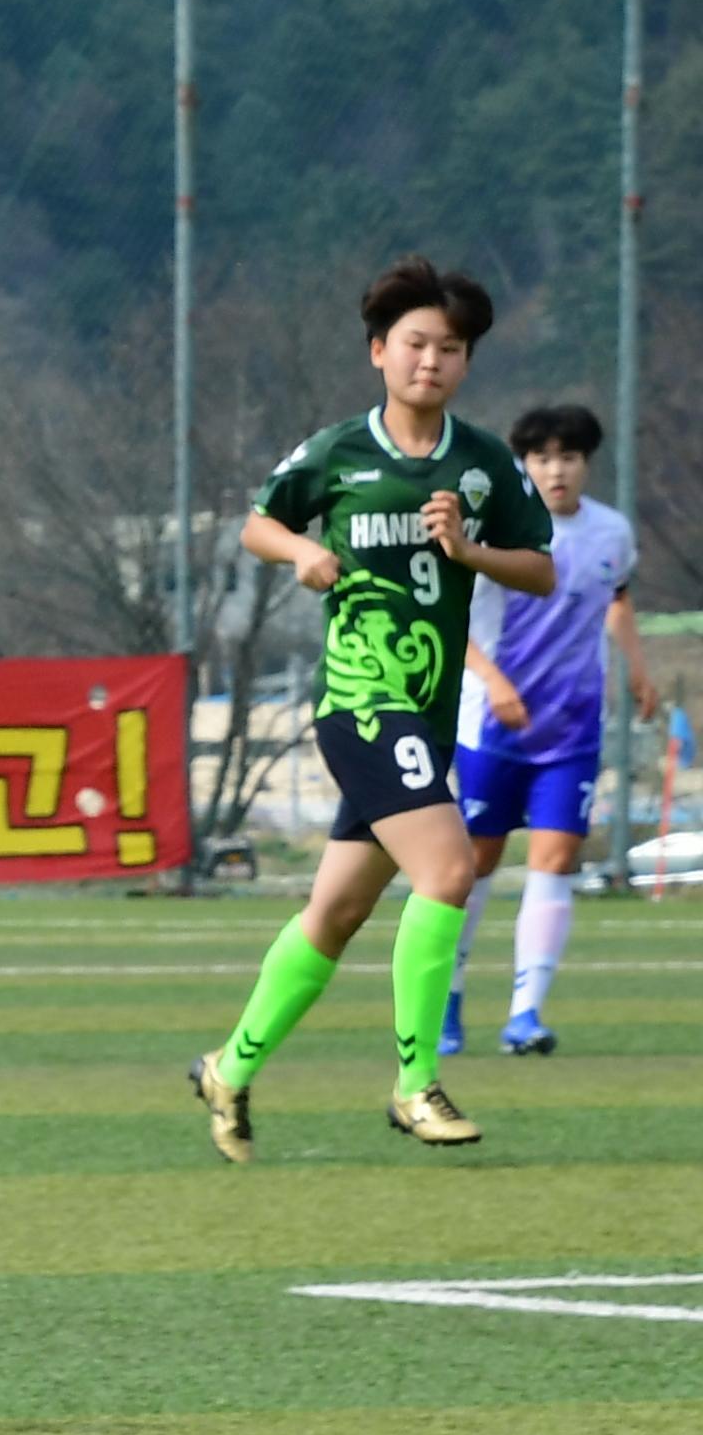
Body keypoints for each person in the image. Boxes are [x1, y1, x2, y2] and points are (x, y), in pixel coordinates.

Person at [190, 255, 553, 1162]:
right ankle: (414, 1084)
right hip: (361, 700)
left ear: (467, 362)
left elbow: (542, 570)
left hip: (426, 714)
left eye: (452, 348)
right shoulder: (338, 453)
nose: (432, 361)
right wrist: (298, 555)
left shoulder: (482, 464)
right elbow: (258, 522)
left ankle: (227, 1071)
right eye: (416, 344)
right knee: (449, 872)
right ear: (379, 352)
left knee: (337, 914)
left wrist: (469, 551)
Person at [444, 404, 657, 1056]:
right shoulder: (500, 532)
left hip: (571, 729)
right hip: (491, 725)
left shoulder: (611, 532)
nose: (555, 470)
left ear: (586, 464)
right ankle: (445, 1005)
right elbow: (452, 620)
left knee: (557, 858)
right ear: (523, 464)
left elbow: (616, 599)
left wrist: (638, 670)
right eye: (542, 459)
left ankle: (525, 1015)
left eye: (568, 458)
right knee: (473, 865)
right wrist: (495, 681)